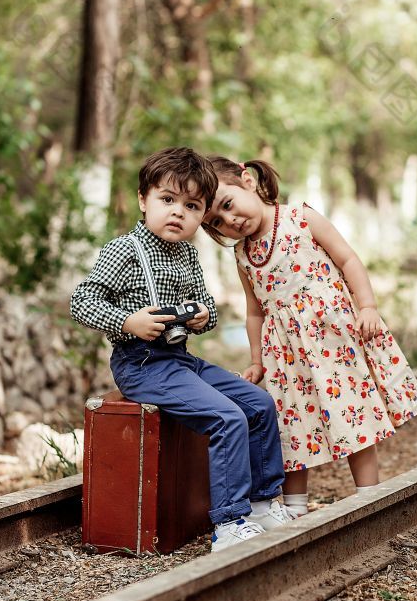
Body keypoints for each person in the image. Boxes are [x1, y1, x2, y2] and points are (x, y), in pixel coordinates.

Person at [71, 147, 294, 552]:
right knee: (227, 418)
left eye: (192, 206)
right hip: (141, 364)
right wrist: (127, 322)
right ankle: (229, 524)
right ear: (144, 200)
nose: (178, 213)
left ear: (202, 214)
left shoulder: (188, 254)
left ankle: (263, 504)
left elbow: (208, 309)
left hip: (179, 359)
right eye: (167, 200)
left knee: (258, 405)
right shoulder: (124, 250)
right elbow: (82, 300)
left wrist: (198, 318)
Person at [202, 156, 417, 517]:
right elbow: (254, 311)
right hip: (286, 353)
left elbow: (348, 259)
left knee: (351, 410)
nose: (230, 220)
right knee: (289, 422)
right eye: (216, 221)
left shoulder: (299, 218)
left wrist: (367, 306)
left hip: (332, 338)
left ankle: (367, 495)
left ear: (247, 181)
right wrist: (257, 359)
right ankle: (294, 508)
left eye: (227, 205)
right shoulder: (243, 256)